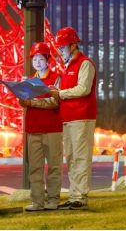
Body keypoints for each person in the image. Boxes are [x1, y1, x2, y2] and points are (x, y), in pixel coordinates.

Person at [47, 27, 97, 211]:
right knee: (73, 159)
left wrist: (60, 93)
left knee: (81, 158)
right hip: (68, 119)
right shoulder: (68, 67)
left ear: (74, 45)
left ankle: (81, 197)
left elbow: (83, 89)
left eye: (63, 47)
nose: (60, 51)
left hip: (82, 118)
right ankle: (74, 195)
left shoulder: (85, 64)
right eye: (59, 48)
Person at [18, 42, 63, 212]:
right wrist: (20, 94)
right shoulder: (28, 81)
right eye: (34, 59)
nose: (37, 62)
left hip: (53, 129)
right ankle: (37, 202)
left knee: (54, 166)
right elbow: (24, 103)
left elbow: (55, 102)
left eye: (40, 58)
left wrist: (33, 102)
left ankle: (53, 200)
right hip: (33, 129)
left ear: (47, 60)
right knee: (35, 168)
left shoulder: (56, 78)